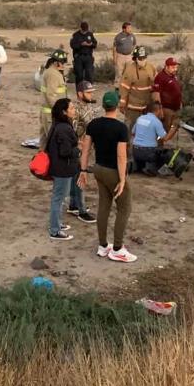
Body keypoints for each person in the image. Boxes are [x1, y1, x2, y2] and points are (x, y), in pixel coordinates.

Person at [78, 91, 138, 263]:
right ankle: (118, 248)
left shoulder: (94, 124)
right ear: (118, 106)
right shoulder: (120, 128)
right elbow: (121, 156)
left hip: (98, 169)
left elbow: (86, 149)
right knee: (124, 207)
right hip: (113, 171)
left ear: (104, 105)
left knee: (104, 205)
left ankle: (103, 246)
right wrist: (122, 179)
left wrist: (83, 170)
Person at [46, 98, 81, 241]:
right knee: (59, 198)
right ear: (64, 112)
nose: (74, 110)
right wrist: (78, 150)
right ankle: (54, 230)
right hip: (63, 168)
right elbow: (65, 151)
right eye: (72, 108)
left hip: (59, 167)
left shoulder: (58, 125)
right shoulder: (64, 128)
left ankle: (57, 224)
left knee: (59, 197)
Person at [67, 81, 101, 223]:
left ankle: (74, 205)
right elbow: (72, 129)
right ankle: (81, 210)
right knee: (81, 177)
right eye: (88, 92)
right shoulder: (76, 109)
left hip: (84, 147)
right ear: (80, 93)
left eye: (91, 92)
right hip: (80, 148)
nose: (91, 94)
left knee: (76, 176)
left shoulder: (87, 106)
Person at [131, 102, 177, 176]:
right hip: (148, 152)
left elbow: (133, 133)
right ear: (158, 110)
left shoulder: (140, 118)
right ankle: (151, 168)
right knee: (163, 153)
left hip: (135, 151)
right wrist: (173, 129)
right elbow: (165, 138)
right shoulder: (156, 122)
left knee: (141, 159)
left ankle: (137, 166)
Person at [119, 45, 157, 134]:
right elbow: (124, 88)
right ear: (135, 58)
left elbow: (155, 83)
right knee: (129, 130)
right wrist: (122, 104)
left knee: (146, 130)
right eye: (140, 58)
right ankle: (126, 147)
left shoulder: (151, 67)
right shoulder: (129, 70)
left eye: (144, 58)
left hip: (147, 106)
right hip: (133, 107)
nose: (142, 60)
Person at [39, 49, 69, 146]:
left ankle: (41, 159)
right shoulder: (53, 74)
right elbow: (50, 95)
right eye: (63, 62)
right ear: (56, 62)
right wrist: (59, 111)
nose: (64, 65)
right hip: (51, 114)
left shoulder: (51, 72)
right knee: (52, 142)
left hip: (47, 112)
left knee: (45, 141)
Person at [152, 57, 182, 141]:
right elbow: (156, 94)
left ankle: (161, 145)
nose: (175, 69)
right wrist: (160, 110)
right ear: (166, 67)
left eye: (176, 67)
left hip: (175, 109)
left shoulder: (173, 76)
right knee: (162, 131)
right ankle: (157, 147)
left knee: (172, 128)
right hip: (166, 109)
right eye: (173, 67)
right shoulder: (160, 77)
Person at [112, 22, 137, 87]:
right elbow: (114, 48)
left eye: (131, 28)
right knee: (119, 74)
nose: (130, 29)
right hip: (120, 56)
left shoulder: (132, 36)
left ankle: (127, 87)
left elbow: (134, 45)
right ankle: (117, 88)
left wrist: (134, 54)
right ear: (124, 29)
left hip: (129, 57)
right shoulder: (118, 37)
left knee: (129, 73)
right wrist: (114, 58)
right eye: (128, 28)